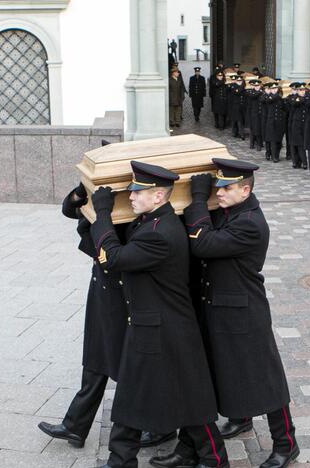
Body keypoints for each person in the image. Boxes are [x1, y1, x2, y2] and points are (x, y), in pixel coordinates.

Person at [89, 161, 227, 468]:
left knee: (187, 400)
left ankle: (214, 460)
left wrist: (101, 214)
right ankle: (122, 460)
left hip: (165, 330)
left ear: (159, 197)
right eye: (132, 191)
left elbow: (112, 257)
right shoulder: (148, 223)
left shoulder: (159, 233)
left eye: (138, 192)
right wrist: (84, 210)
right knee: (137, 396)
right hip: (152, 325)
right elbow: (103, 244)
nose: (131, 197)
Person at [38, 144, 176, 451]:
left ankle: (160, 427)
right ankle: (76, 425)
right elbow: (69, 209)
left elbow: (112, 248)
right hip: (101, 286)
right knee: (97, 355)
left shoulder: (134, 207)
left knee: (128, 363)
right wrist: (83, 190)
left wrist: (104, 210)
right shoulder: (110, 198)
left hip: (122, 292)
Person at [182, 159, 299, 468]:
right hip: (220, 304)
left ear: (245, 190)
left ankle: (286, 443)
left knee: (265, 377)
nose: (218, 192)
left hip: (244, 310)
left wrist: (196, 199)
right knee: (227, 367)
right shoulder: (230, 211)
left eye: (226, 187)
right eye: (217, 186)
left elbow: (203, 244)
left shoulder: (249, 222)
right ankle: (240, 417)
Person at [261, 81, 287, 163]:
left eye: (275, 88)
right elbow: (267, 100)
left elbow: (284, 108)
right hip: (271, 121)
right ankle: (273, 155)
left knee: (278, 140)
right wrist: (278, 94)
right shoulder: (268, 97)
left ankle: (276, 155)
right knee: (271, 139)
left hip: (280, 121)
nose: (274, 90)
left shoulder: (280, 97)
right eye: (272, 88)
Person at [287, 82, 308, 169]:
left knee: (302, 144)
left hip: (305, 123)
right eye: (300, 90)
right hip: (295, 123)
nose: (302, 92)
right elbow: (295, 103)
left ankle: (303, 162)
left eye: (303, 90)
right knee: (295, 143)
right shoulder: (293, 98)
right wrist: (304, 98)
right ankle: (296, 162)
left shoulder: (307, 97)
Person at [245, 79, 264, 151]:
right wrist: (260, 91)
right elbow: (253, 96)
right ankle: (252, 144)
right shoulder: (251, 92)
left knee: (259, 129)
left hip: (260, 113)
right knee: (253, 129)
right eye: (255, 86)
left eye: (258, 86)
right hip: (253, 114)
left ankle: (259, 144)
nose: (257, 87)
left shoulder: (262, 92)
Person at [228, 74, 247, 139]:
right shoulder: (233, 86)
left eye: (240, 80)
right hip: (235, 106)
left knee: (240, 120)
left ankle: (237, 133)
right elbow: (238, 92)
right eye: (238, 80)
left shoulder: (244, 87)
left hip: (242, 106)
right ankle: (239, 134)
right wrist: (243, 85)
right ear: (236, 81)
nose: (239, 81)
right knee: (236, 120)